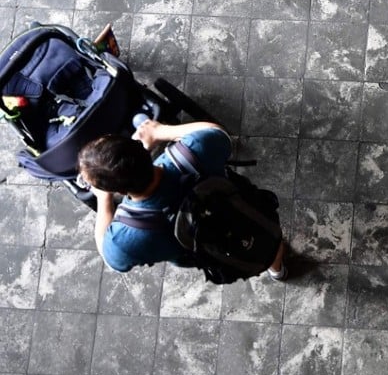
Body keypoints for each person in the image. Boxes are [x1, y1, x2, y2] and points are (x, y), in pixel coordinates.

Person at [78, 119, 286, 280]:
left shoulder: (126, 237)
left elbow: (111, 258)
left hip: (218, 253)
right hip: (248, 213)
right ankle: (277, 269)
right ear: (142, 148)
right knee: (267, 239)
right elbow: (218, 133)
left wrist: (103, 200)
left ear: (120, 191)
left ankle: (272, 270)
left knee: (240, 254)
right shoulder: (195, 152)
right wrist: (160, 131)